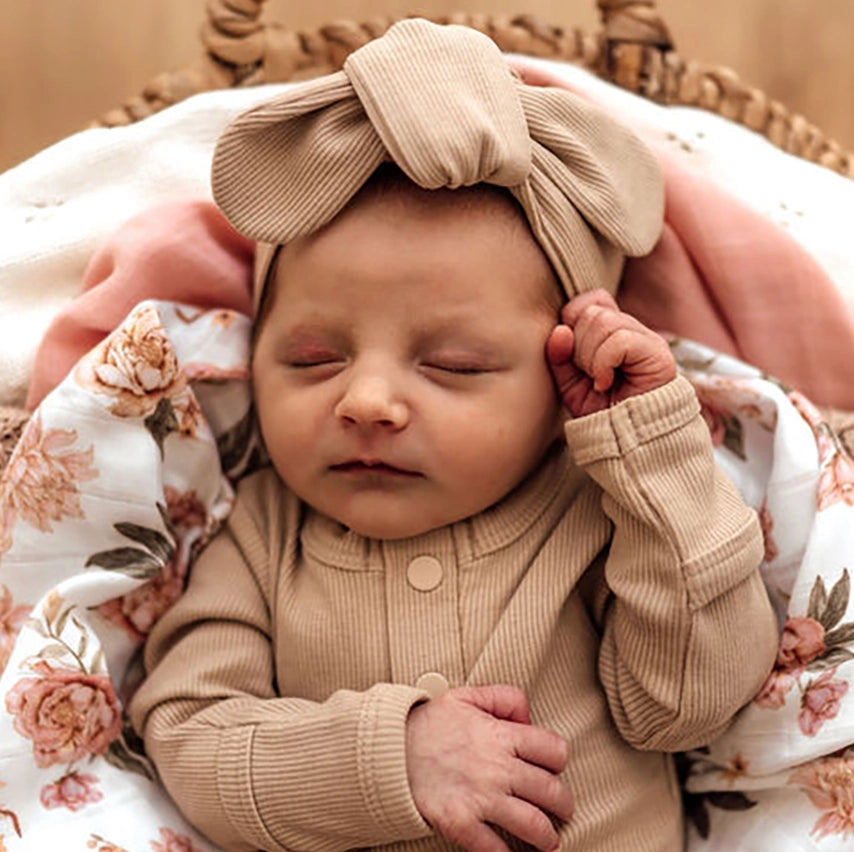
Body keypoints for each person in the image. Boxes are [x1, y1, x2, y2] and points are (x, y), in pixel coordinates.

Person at [128, 18, 778, 852]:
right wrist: (387, 759)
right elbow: (190, 740)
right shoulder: (259, 537)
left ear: (561, 385)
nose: (367, 401)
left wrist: (657, 452)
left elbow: (691, 705)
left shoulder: (600, 515)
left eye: (455, 366)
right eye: (313, 359)